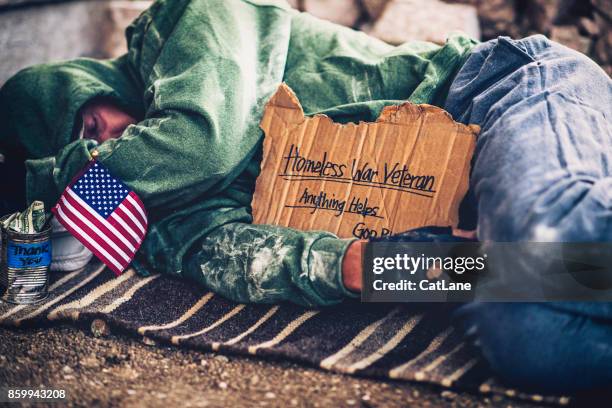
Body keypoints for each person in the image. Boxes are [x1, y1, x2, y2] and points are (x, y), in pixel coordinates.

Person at [1, 0, 611, 394]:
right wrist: (387, 265)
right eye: (84, 157)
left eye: (87, 128)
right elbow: (242, 255)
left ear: (84, 83)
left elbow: (201, 144)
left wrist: (67, 183)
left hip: (503, 97)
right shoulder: (154, 207)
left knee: (553, 239)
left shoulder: (186, 23)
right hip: (467, 218)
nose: (104, 152)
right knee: (527, 337)